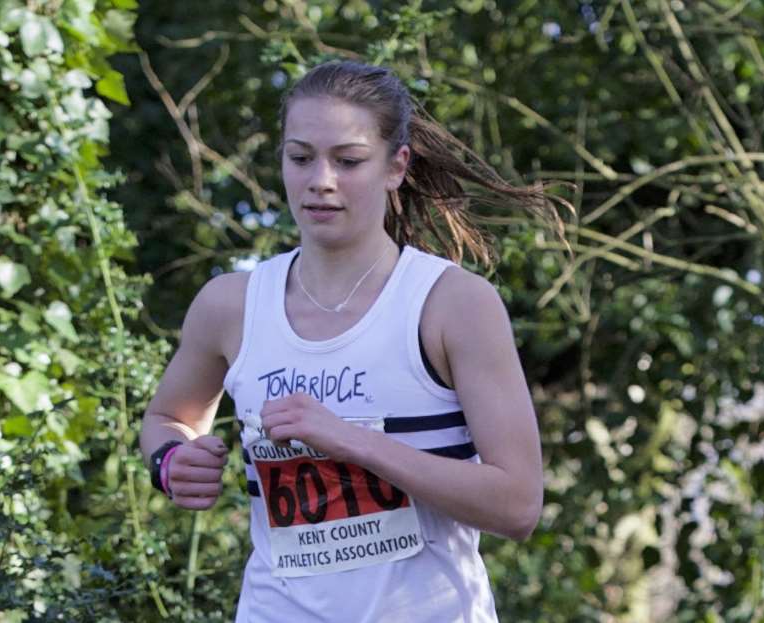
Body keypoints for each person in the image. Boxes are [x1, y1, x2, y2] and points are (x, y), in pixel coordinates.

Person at [140, 60, 567, 622]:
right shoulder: (231, 305)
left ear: (396, 166)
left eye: (348, 161)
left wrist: (352, 442)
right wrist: (171, 460)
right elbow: (168, 417)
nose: (321, 179)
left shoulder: (451, 304)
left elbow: (518, 505)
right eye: (300, 157)